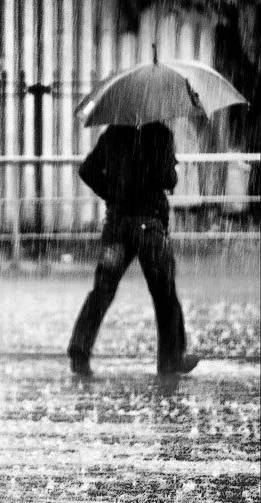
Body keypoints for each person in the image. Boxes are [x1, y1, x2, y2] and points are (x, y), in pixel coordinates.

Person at [68, 122, 200, 377]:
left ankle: (79, 350)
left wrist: (111, 193)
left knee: (102, 290)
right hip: (149, 228)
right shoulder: (160, 134)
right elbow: (167, 179)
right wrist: (171, 165)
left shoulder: (113, 133)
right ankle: (171, 360)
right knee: (165, 295)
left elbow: (87, 170)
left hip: (116, 227)